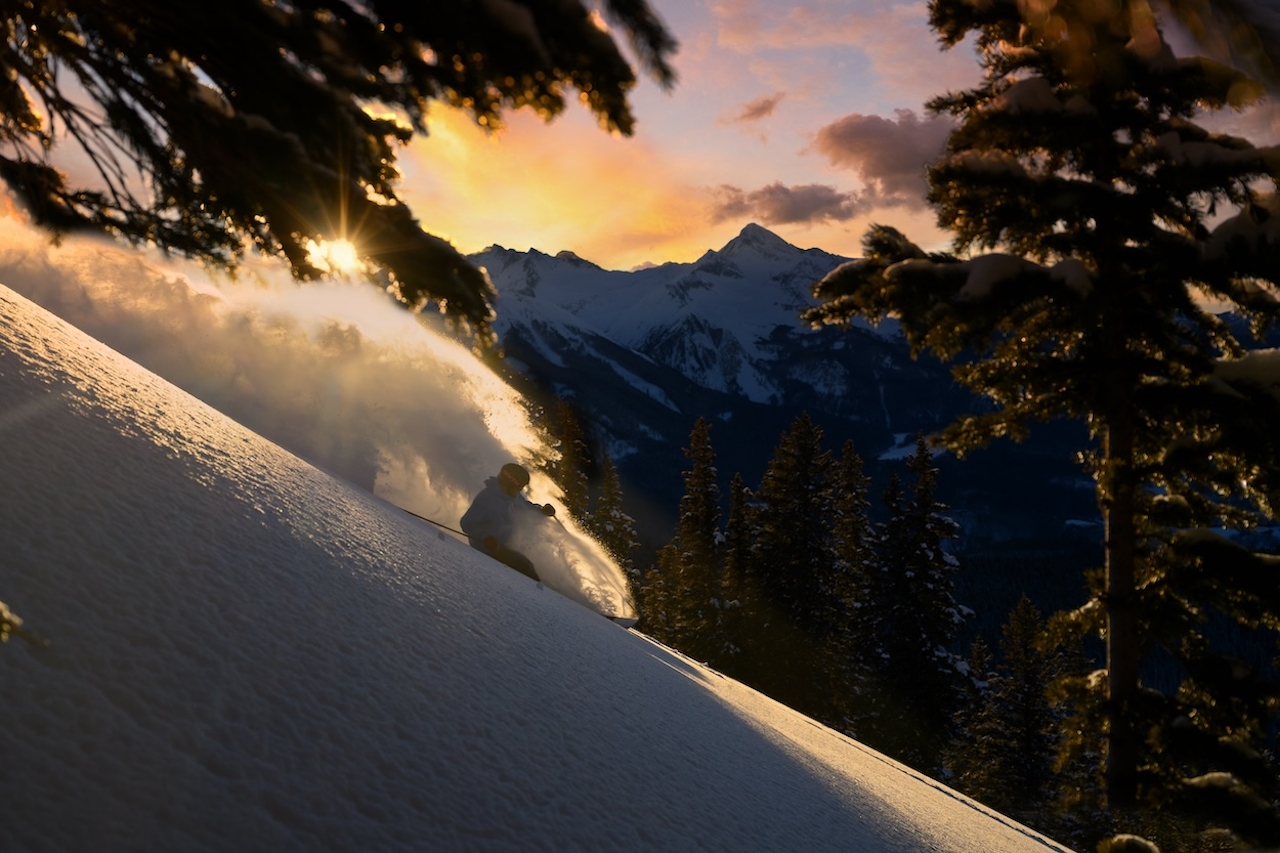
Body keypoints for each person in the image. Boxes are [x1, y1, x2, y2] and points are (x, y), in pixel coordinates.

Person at [460, 463, 556, 581]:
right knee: (525, 566)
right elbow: (466, 523)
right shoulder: (487, 498)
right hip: (487, 547)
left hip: (502, 544)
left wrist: (543, 511)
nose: (518, 491)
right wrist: (485, 537)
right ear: (509, 483)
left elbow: (526, 506)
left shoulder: (511, 497)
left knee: (526, 561)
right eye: (518, 487)